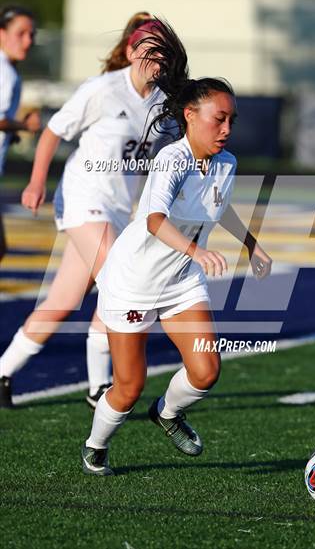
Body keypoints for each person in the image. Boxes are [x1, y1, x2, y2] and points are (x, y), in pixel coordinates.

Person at [81, 77, 273, 476]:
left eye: (231, 121)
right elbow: (154, 220)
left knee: (206, 371)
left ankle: (167, 413)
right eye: (219, 119)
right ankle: (95, 445)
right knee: (128, 387)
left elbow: (219, 209)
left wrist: (251, 245)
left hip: (180, 279)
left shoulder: (227, 163)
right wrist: (196, 250)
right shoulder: (173, 159)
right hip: (133, 282)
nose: (227, 130)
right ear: (190, 115)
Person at [0, 15, 189, 409]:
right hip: (84, 198)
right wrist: (36, 182)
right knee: (121, 282)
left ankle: (3, 370)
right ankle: (100, 386)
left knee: (62, 302)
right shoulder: (103, 89)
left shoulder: (163, 105)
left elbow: (165, 159)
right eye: (149, 51)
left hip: (119, 210)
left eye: (163, 53)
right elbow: (53, 132)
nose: (157, 60)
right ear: (131, 51)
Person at [0, 5, 41, 263]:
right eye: (21, 33)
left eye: (32, 35)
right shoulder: (5, 71)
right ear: (2, 34)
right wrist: (24, 126)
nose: (28, 41)